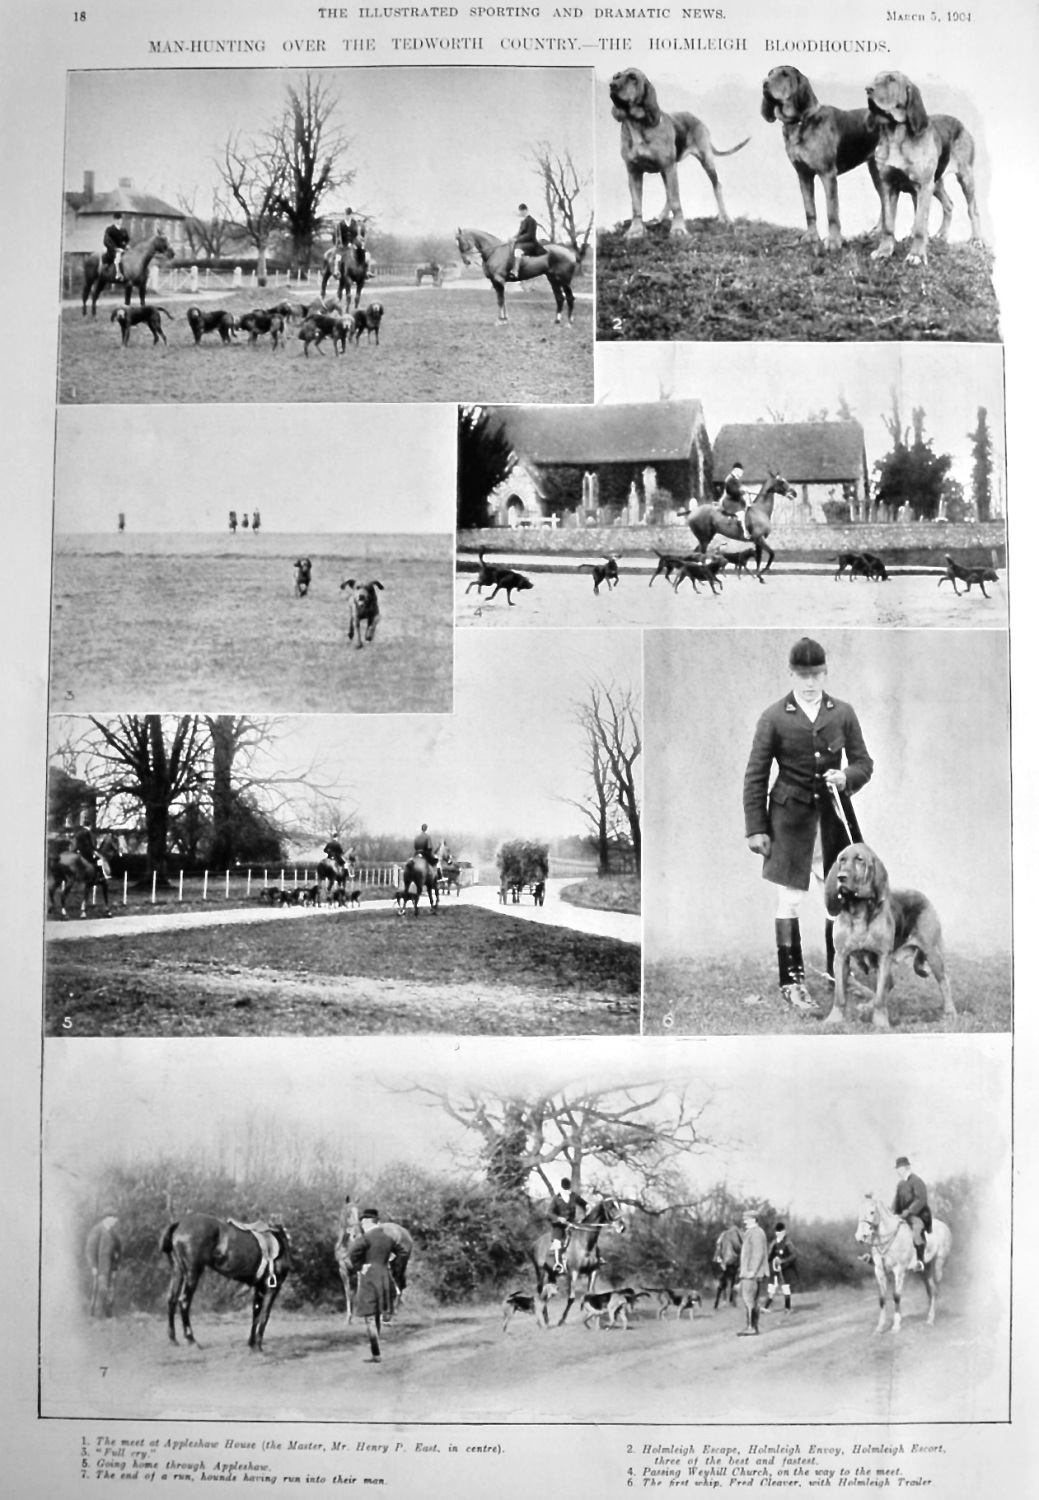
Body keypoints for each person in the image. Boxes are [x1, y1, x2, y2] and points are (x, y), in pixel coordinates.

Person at [743, 637, 874, 1015]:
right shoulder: (774, 717)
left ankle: (840, 973)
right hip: (789, 823)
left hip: (833, 820)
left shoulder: (843, 713)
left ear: (825, 673)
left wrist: (846, 776)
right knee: (790, 899)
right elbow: (755, 775)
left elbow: (864, 762)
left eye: (815, 674)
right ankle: (792, 983)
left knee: (837, 901)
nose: (809, 682)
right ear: (791, 674)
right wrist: (756, 828)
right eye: (802, 675)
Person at [345, 1208, 411, 1362]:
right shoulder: (388, 1238)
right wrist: (392, 1263)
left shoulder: (364, 1238)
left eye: (362, 1223)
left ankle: (376, 1353)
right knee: (378, 1314)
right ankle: (376, 1351)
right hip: (384, 1275)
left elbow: (351, 1255)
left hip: (369, 1277)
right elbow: (402, 1252)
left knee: (369, 1316)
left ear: (366, 1222)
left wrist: (360, 1266)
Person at [892, 1156, 931, 1271]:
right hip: (903, 1215)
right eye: (897, 1168)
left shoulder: (917, 1181)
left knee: (916, 1233)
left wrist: (909, 1211)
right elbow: (896, 1201)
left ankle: (920, 1261)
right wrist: (893, 1213)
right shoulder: (900, 1185)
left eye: (899, 1168)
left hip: (918, 1215)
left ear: (906, 1168)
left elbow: (921, 1200)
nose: (898, 1171)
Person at [737, 1207, 768, 1336]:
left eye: (746, 1219)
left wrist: (752, 1271)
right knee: (751, 1300)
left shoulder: (755, 1233)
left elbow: (758, 1253)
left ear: (753, 1220)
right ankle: (752, 1326)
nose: (744, 1222)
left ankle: (751, 1327)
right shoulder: (754, 1232)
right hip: (752, 1272)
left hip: (751, 1273)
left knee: (748, 1299)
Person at [547, 1177, 588, 1273]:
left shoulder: (573, 1196)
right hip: (559, 1226)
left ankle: (592, 1257)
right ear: (563, 1189)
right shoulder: (556, 1199)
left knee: (585, 1236)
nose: (570, 1191)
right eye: (568, 1190)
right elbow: (549, 1213)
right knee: (557, 1242)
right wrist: (558, 1218)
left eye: (570, 1189)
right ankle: (558, 1264)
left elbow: (583, 1203)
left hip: (571, 1224)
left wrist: (587, 1206)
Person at [85, 1212, 121, 1317]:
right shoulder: (97, 1230)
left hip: (111, 1267)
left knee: (110, 1291)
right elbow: (90, 1250)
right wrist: (93, 1266)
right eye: (114, 1218)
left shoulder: (113, 1233)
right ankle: (96, 1316)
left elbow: (118, 1250)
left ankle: (108, 1316)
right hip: (100, 1267)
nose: (116, 1221)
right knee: (101, 1291)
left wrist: (116, 1266)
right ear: (107, 1218)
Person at [762, 1220, 798, 1314]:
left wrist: (783, 1261)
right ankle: (766, 1307)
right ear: (776, 1233)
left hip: (785, 1270)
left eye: (781, 1232)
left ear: (784, 1232)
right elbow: (769, 1256)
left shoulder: (788, 1243)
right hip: (775, 1270)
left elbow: (794, 1255)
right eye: (778, 1232)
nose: (779, 1234)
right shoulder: (773, 1244)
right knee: (772, 1288)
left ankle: (787, 1308)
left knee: (786, 1288)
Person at [712, 1218, 743, 1309]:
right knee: (731, 1282)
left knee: (724, 1282)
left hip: (724, 1261)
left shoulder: (724, 1235)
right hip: (732, 1261)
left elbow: (718, 1246)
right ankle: (729, 1302)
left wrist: (719, 1259)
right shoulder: (735, 1233)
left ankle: (719, 1302)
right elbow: (739, 1246)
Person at [511, 202, 546, 279]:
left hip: (531, 243)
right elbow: (519, 233)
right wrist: (512, 238)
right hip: (523, 243)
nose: (521, 213)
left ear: (526, 210)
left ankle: (516, 271)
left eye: (522, 211)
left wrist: (517, 239)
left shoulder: (532, 221)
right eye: (520, 211)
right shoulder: (523, 221)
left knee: (517, 251)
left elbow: (530, 235)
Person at [720, 462, 750, 538]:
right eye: (741, 472)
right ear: (736, 470)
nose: (741, 474)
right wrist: (742, 491)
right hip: (730, 501)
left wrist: (744, 490)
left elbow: (739, 488)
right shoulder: (730, 479)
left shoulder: (735, 479)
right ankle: (743, 533)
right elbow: (733, 491)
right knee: (741, 513)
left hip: (734, 499)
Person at [336, 207, 368, 271]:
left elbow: (356, 235)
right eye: (346, 214)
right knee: (338, 257)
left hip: (353, 243)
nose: (347, 216)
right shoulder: (340, 224)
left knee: (364, 253)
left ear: (351, 215)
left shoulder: (355, 223)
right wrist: (343, 244)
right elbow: (339, 236)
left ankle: (365, 271)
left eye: (349, 214)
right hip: (344, 244)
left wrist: (356, 242)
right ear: (344, 214)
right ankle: (337, 271)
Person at [102, 211, 130, 281]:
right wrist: (115, 249)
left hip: (122, 250)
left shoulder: (124, 230)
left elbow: (126, 240)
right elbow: (106, 241)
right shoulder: (109, 230)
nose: (119, 221)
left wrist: (126, 246)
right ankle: (118, 274)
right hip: (112, 250)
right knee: (116, 257)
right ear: (114, 220)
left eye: (120, 219)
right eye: (117, 219)